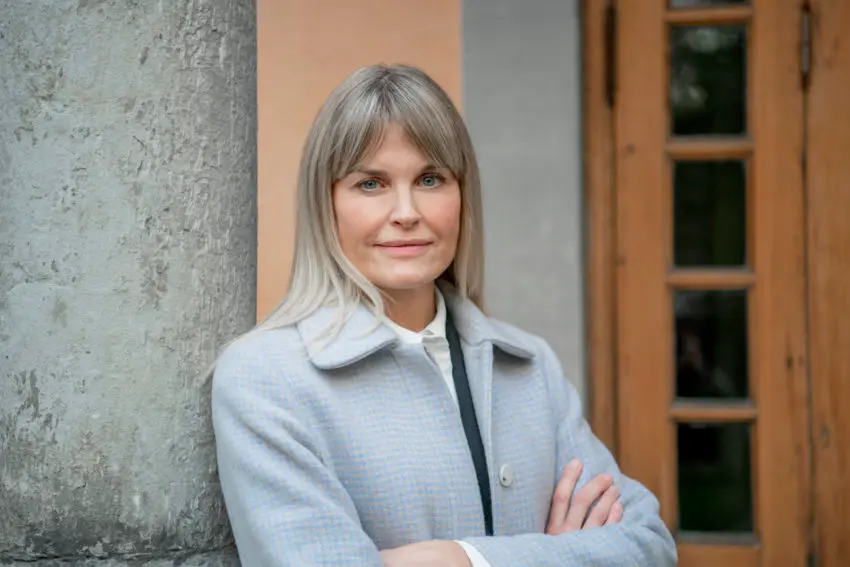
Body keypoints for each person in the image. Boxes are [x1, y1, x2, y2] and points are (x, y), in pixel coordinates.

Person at [211, 64, 677, 566]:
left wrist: (463, 559)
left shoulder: (529, 366)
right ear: (326, 205)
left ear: (462, 196)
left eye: (430, 179)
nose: (406, 212)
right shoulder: (266, 378)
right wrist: (564, 555)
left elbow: (650, 545)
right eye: (371, 184)